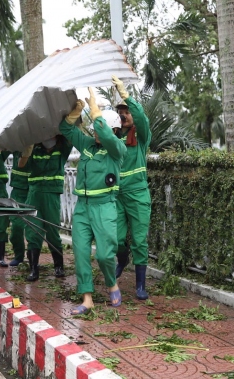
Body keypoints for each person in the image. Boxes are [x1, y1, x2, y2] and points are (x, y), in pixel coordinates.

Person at [60, 88, 127, 315]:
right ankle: (87, 298)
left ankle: (112, 284)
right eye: (96, 130)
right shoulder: (88, 145)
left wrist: (95, 109)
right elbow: (65, 129)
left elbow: (106, 136)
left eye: (104, 129)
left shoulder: (117, 149)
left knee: (105, 254)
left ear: (114, 130)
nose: (97, 134)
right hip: (83, 208)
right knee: (80, 252)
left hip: (105, 206)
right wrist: (76, 111)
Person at [111, 76, 153, 300]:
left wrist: (126, 95)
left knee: (139, 240)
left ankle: (140, 285)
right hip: (117, 197)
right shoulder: (115, 138)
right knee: (115, 238)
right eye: (120, 112)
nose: (123, 115)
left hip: (137, 196)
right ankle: (122, 257)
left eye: (126, 111)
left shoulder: (142, 135)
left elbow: (142, 118)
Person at [19, 134, 72, 281]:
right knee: (33, 231)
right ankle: (33, 269)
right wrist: (27, 150)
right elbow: (21, 164)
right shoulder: (34, 148)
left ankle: (59, 266)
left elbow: (70, 135)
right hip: (34, 194)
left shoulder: (62, 149)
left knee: (52, 231)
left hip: (51, 195)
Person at [7, 151, 32, 266]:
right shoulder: (18, 142)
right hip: (17, 189)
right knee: (17, 225)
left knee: (32, 227)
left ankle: (32, 256)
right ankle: (19, 255)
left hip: (33, 189)